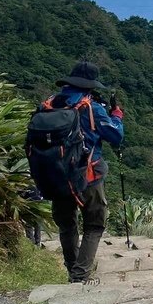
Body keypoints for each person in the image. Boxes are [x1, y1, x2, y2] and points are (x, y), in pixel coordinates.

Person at [48, 61, 124, 283]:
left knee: (67, 223)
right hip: (87, 175)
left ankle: (72, 269)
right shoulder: (91, 108)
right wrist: (117, 116)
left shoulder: (51, 103)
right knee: (94, 223)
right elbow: (115, 136)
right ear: (90, 86)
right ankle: (79, 276)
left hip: (56, 173)